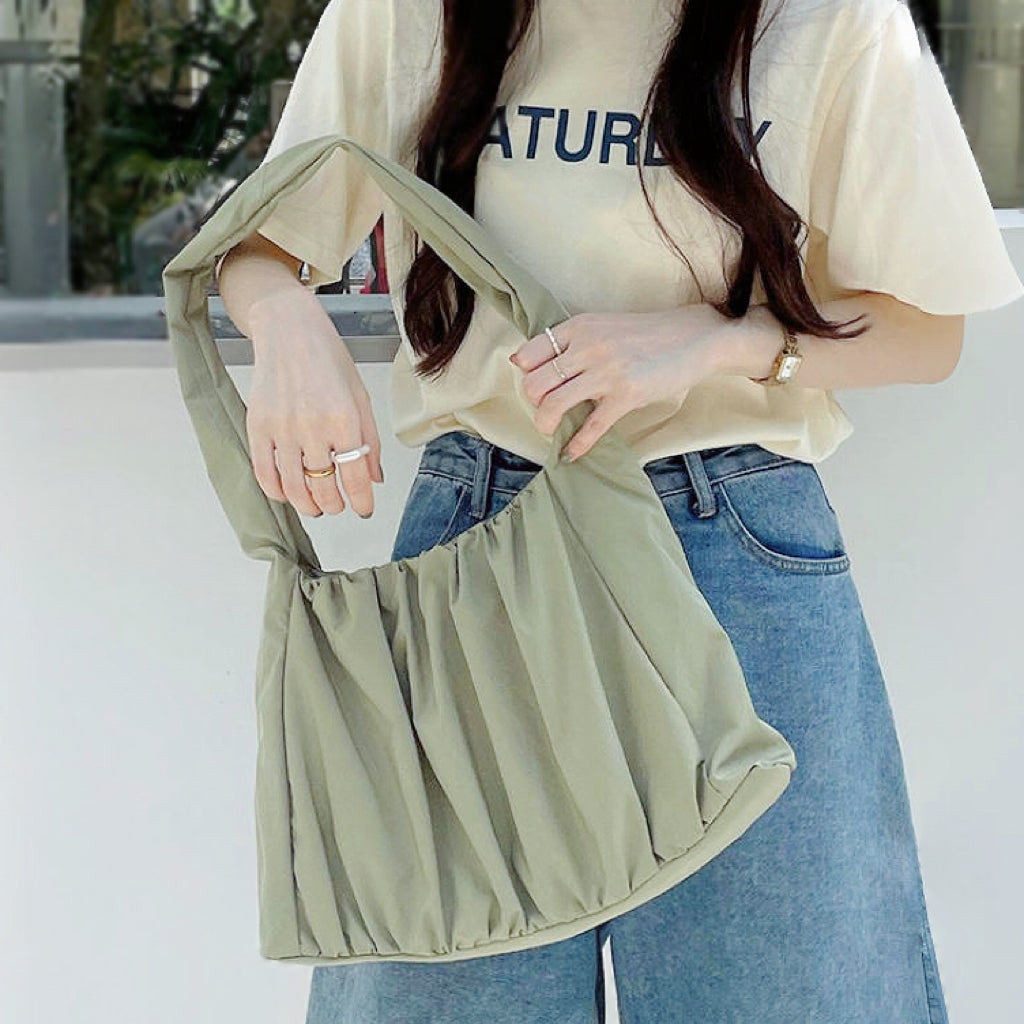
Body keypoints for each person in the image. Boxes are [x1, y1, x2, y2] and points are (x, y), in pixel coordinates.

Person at [214, 0, 1023, 1021]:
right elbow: (257, 244)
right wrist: (288, 321)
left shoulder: (828, 19)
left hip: (732, 553)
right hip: (476, 552)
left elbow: (924, 329)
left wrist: (722, 340)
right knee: (444, 984)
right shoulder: (411, 12)